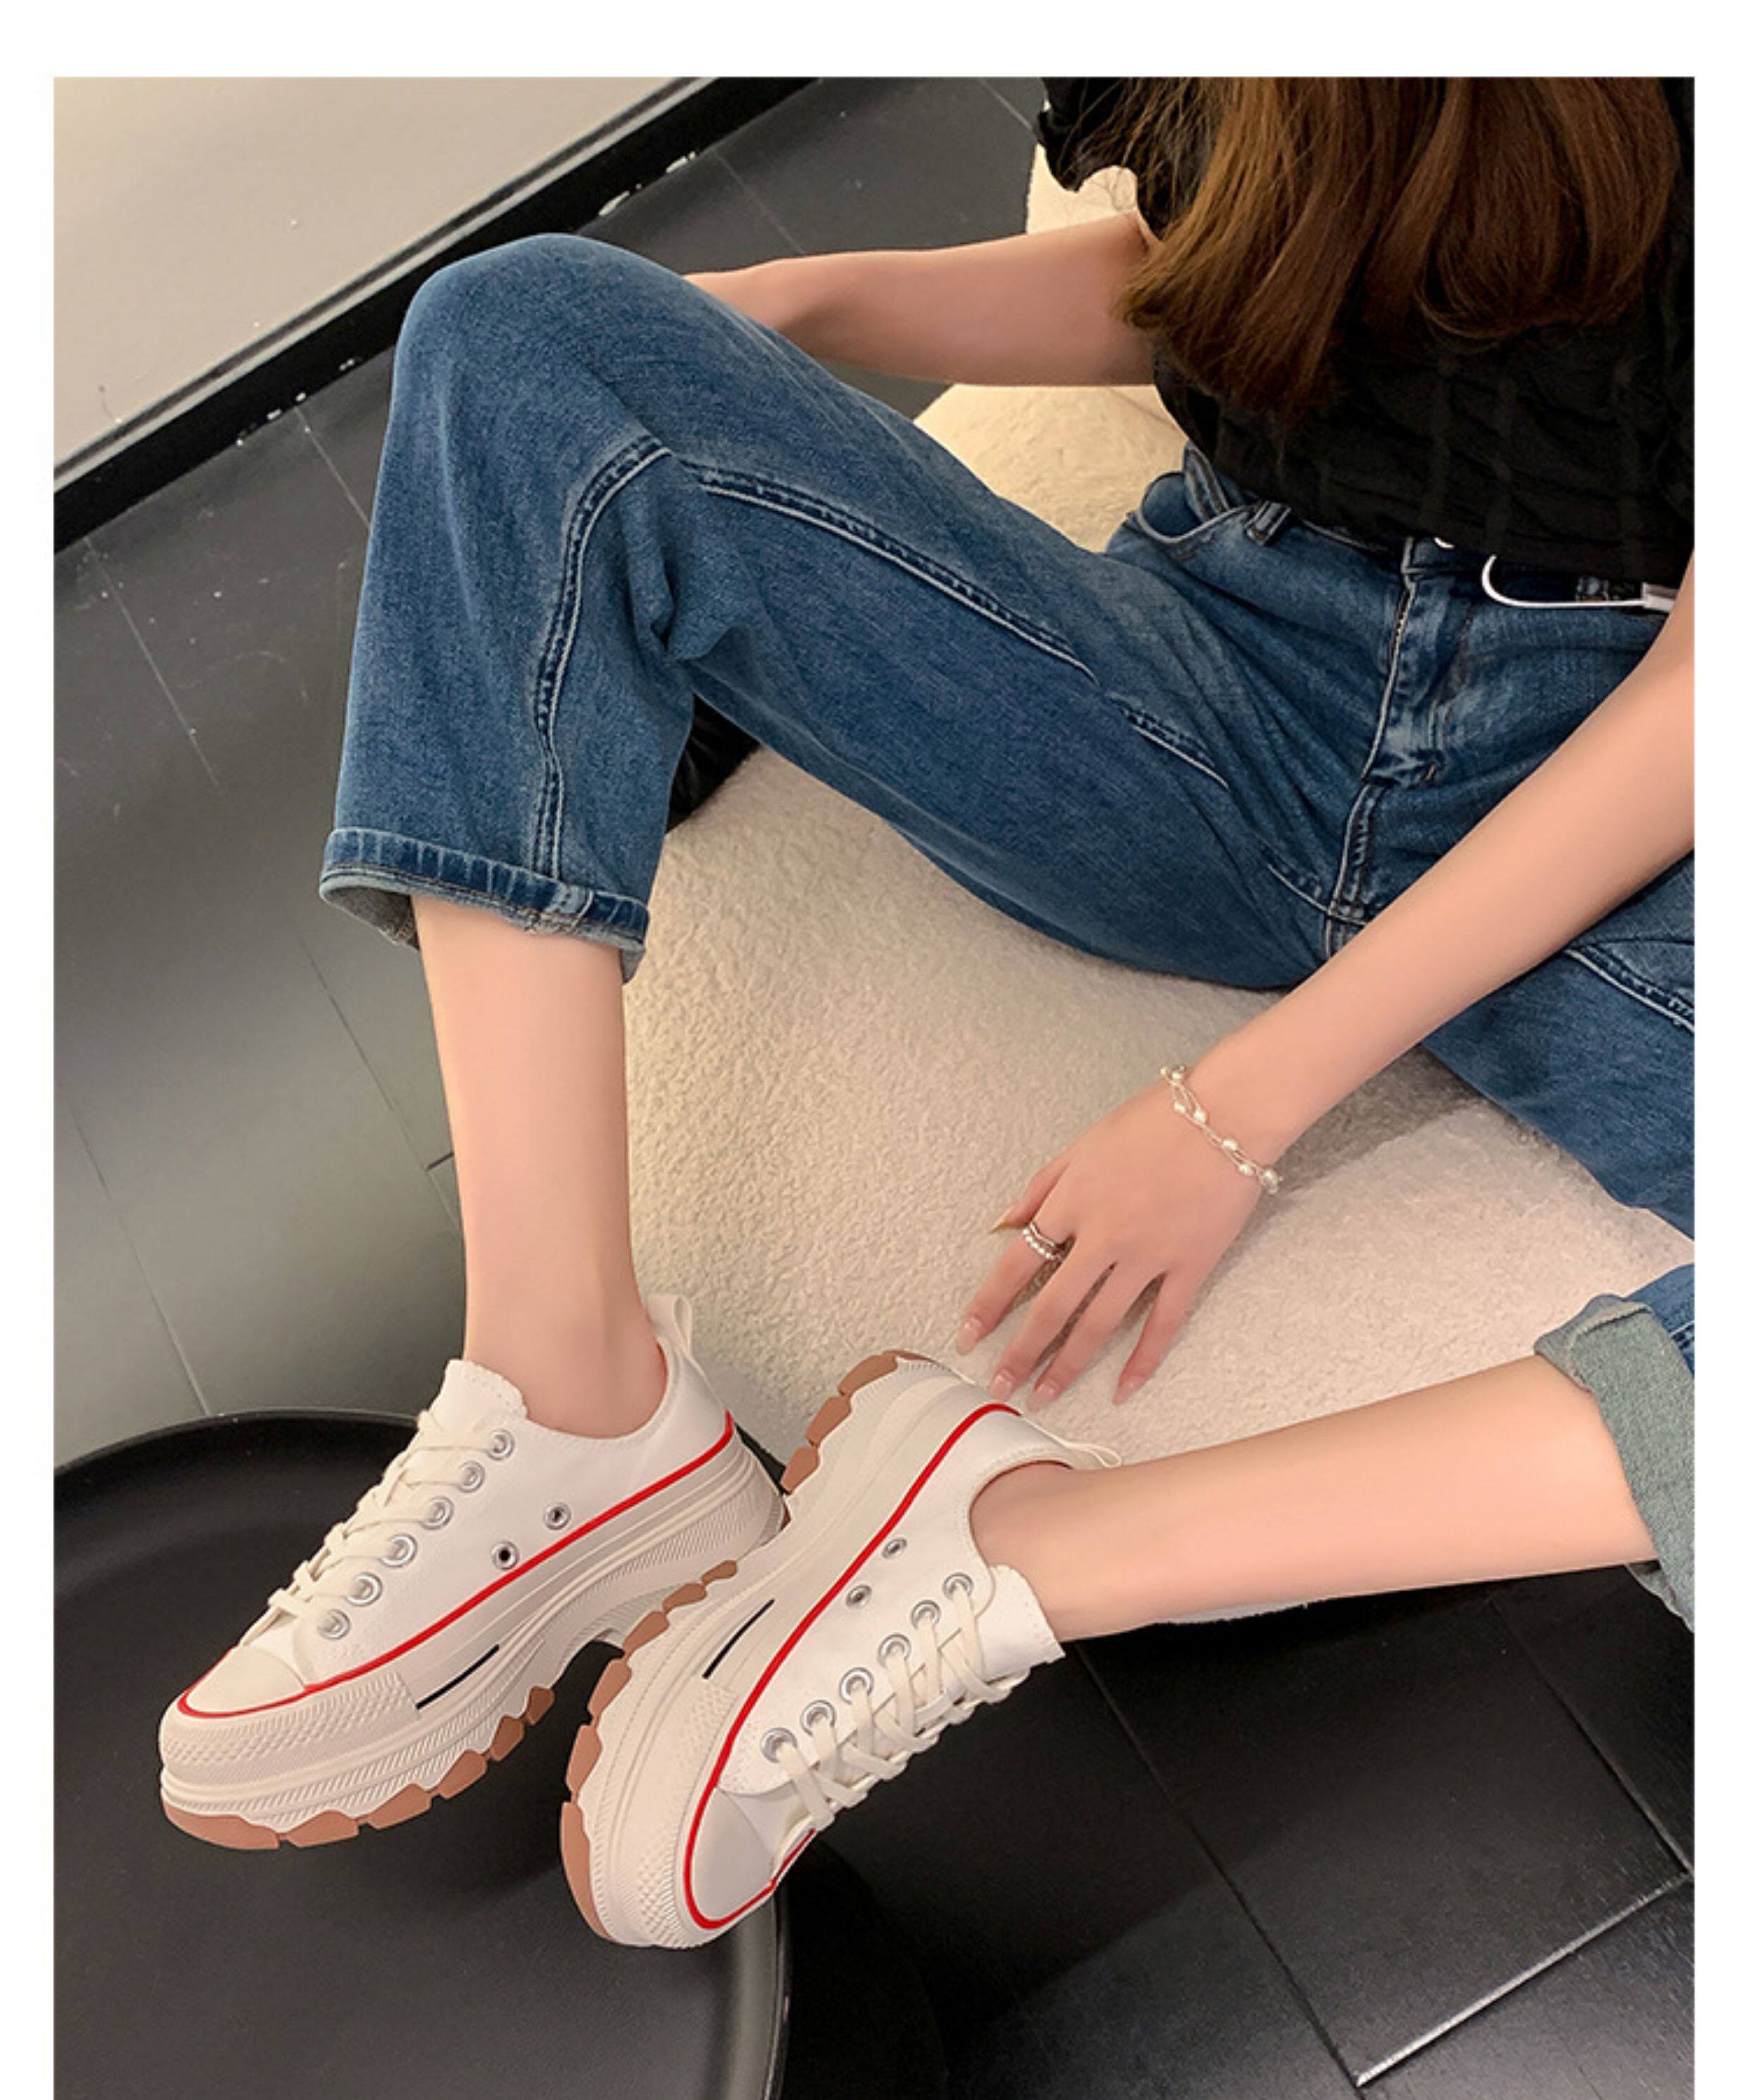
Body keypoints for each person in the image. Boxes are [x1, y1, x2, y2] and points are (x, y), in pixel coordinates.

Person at [158, 77, 1693, 1949]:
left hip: (1614, 798)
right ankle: (574, 1401)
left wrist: (1235, 1109)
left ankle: (1018, 1546)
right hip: (1214, 677)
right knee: (525, 335)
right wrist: (808, 302)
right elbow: (1229, 276)